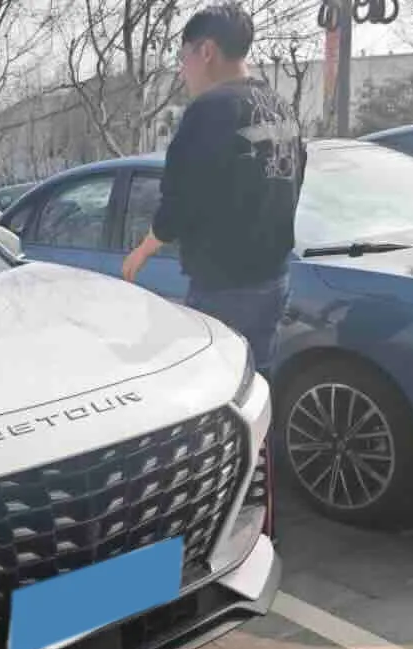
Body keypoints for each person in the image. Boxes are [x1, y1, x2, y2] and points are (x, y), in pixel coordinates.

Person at [122, 2, 305, 376]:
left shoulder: (211, 109)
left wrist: (141, 252)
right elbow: (294, 181)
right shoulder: (279, 106)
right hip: (275, 277)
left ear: (206, 51)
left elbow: (179, 201)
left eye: (184, 58)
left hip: (225, 285)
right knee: (257, 382)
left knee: (216, 385)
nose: (183, 69)